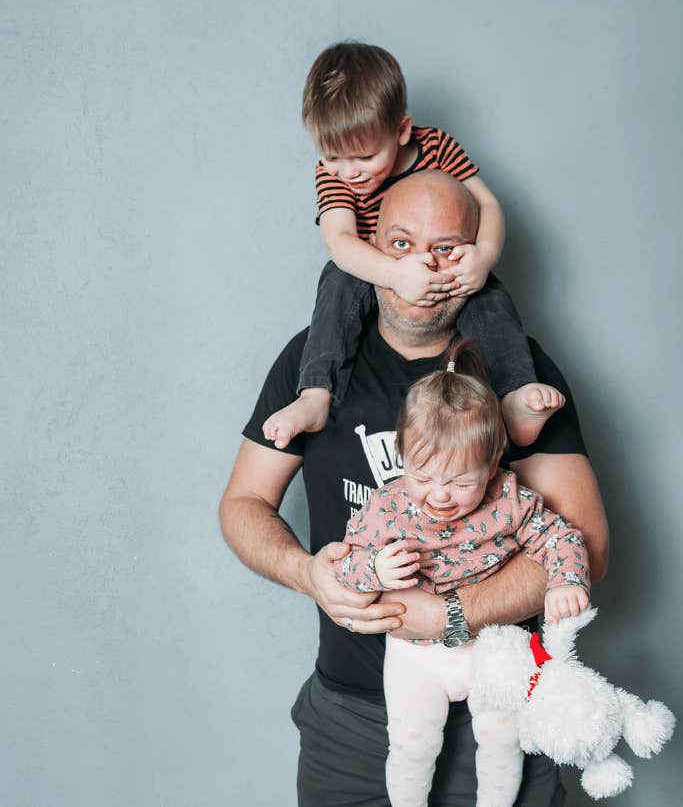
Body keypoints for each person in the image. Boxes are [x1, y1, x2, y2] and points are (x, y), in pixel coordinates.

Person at [219, 170, 609, 806]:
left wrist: (454, 615)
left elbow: (583, 545)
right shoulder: (311, 363)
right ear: (369, 245)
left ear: (479, 253)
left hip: (501, 702)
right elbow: (243, 505)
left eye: (448, 248)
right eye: (401, 244)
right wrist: (306, 573)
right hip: (351, 722)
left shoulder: (519, 375)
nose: (425, 269)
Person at [261, 41, 565, 452]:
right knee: (337, 280)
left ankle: (514, 398)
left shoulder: (436, 146)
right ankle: (316, 394)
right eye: (331, 156)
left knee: (489, 295)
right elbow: (340, 241)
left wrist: (484, 255)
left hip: (444, 264)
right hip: (377, 265)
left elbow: (488, 202)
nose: (348, 172)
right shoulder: (333, 175)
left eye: (365, 157)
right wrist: (396, 274)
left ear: (402, 131)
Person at [334, 338, 590, 807]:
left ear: (493, 465)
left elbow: (562, 537)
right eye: (423, 477)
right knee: (413, 745)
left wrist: (567, 580)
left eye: (460, 482)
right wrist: (374, 567)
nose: (440, 496)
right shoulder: (387, 507)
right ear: (403, 454)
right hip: (415, 653)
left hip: (492, 646)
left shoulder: (509, 498)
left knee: (501, 738)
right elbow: (343, 569)